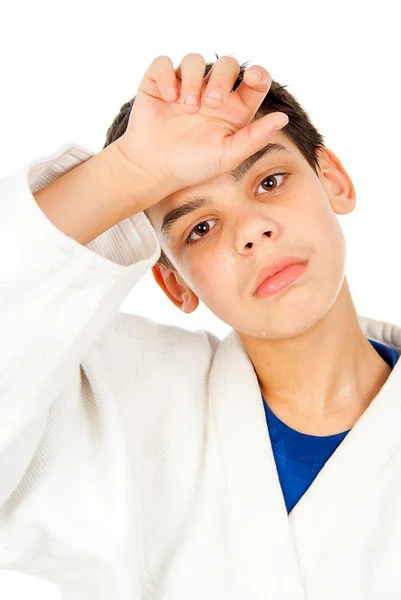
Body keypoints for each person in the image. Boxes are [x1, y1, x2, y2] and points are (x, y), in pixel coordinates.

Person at [0, 52, 400, 600]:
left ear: (333, 179)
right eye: (202, 227)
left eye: (269, 181)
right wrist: (127, 173)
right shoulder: (120, 409)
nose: (252, 231)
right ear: (175, 285)